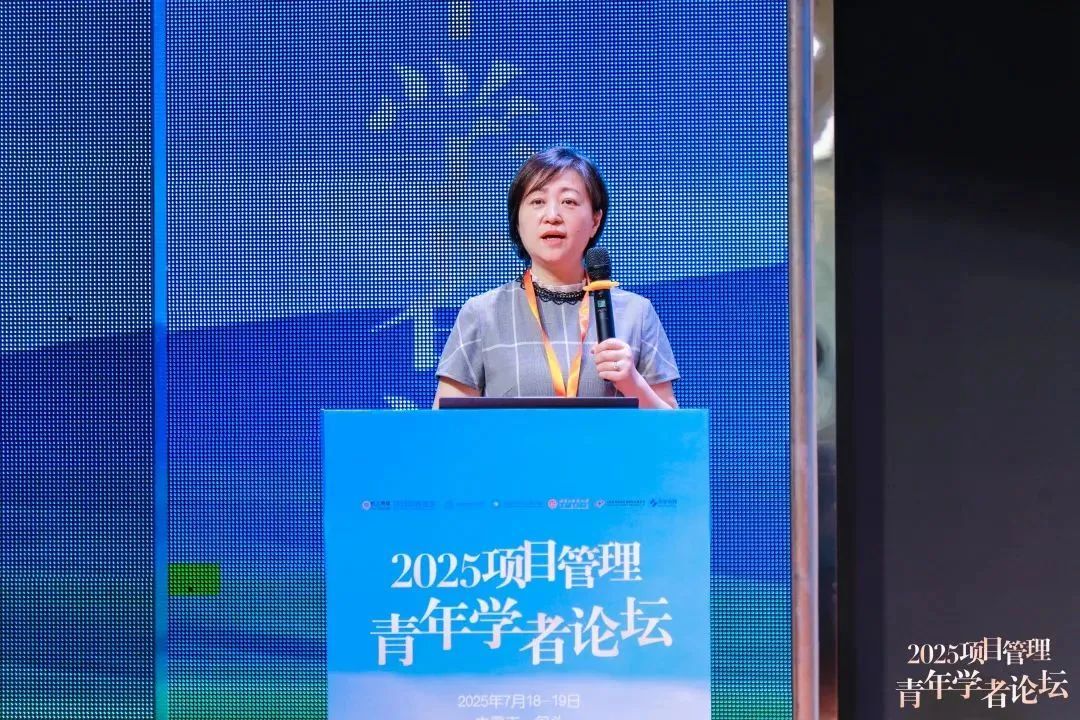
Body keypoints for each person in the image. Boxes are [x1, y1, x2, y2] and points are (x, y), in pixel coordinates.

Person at [434, 147, 679, 409]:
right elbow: (444, 427)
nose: (552, 216)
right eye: (537, 201)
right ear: (517, 221)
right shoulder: (482, 313)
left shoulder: (635, 313)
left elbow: (675, 429)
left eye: (569, 202)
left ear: (595, 220)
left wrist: (632, 383)